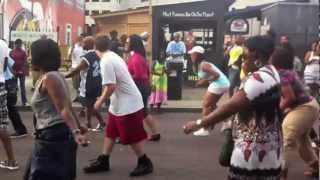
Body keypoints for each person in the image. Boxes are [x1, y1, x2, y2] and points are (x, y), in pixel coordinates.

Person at [184, 36, 283, 180]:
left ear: (256, 54)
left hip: (252, 151)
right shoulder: (271, 71)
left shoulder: (258, 78)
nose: (243, 55)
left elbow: (232, 105)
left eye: (246, 51)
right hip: (268, 148)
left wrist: (199, 123)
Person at [83, 36, 153, 177]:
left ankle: (145, 162)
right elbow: (112, 84)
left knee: (131, 136)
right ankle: (104, 160)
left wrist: (100, 101)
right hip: (119, 103)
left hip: (128, 104)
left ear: (95, 49)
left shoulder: (106, 61)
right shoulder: (113, 55)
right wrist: (103, 97)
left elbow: (111, 86)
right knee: (111, 132)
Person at [24, 38, 88, 180]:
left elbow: (64, 108)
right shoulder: (53, 76)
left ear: (40, 57)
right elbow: (68, 106)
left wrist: (76, 131)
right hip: (50, 135)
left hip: (53, 137)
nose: (29, 58)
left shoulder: (50, 78)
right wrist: (78, 126)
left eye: (31, 54)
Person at [270, 46, 319, 179]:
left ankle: (281, 174)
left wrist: (278, 110)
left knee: (286, 139)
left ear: (276, 59)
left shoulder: (281, 73)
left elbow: (290, 97)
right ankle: (317, 167)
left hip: (304, 108)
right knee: (302, 142)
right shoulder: (287, 71)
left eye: (271, 55)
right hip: (308, 106)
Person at [189, 46, 230, 136]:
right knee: (212, 105)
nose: (191, 55)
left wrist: (204, 81)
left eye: (192, 54)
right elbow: (210, 76)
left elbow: (217, 75)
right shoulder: (199, 64)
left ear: (197, 55)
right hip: (221, 84)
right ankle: (227, 122)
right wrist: (201, 82)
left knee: (206, 105)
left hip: (219, 83)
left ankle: (205, 129)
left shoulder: (204, 65)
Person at [66, 36, 105, 131]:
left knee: (90, 104)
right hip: (98, 82)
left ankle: (101, 122)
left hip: (89, 83)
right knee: (88, 104)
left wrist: (64, 76)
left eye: (84, 43)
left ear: (87, 45)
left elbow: (77, 70)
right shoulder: (98, 54)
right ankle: (88, 123)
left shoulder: (87, 57)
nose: (82, 44)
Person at [127, 34, 161, 141]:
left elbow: (139, 75)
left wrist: (127, 77)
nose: (126, 44)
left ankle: (151, 133)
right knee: (140, 112)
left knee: (140, 112)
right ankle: (149, 133)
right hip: (142, 86)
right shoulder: (139, 56)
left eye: (128, 42)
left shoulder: (136, 58)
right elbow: (146, 73)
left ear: (133, 44)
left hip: (139, 87)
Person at [0, 40, 19, 170]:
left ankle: (11, 161)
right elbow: (6, 64)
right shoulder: (2, 44)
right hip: (0, 84)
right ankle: (11, 160)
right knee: (1, 125)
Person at [5, 52, 28, 138]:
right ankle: (21, 129)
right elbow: (12, 67)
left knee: (10, 107)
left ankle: (21, 130)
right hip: (8, 82)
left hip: (7, 83)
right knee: (10, 107)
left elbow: (10, 68)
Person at [10, 39, 28, 106]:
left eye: (20, 44)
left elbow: (25, 62)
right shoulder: (11, 52)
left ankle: (24, 101)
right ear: (15, 44)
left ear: (21, 44)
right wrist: (12, 71)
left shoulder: (23, 52)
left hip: (21, 72)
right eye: (17, 44)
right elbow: (10, 62)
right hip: (14, 72)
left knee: (22, 87)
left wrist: (22, 70)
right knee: (14, 87)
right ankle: (13, 102)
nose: (19, 45)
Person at [70, 36, 85, 102]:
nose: (81, 41)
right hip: (75, 66)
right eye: (80, 40)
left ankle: (80, 96)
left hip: (82, 67)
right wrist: (72, 49)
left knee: (82, 82)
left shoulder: (84, 47)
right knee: (75, 83)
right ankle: (77, 96)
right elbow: (69, 55)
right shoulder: (74, 47)